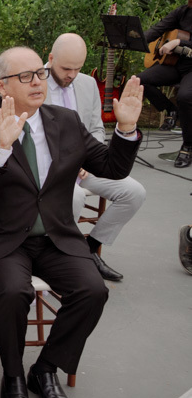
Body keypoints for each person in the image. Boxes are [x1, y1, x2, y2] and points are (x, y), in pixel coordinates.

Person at [0, 47, 144, 398]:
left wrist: (124, 129)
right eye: (25, 76)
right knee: (13, 292)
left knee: (93, 290)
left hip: (56, 236)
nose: (38, 82)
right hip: (1, 238)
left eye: (40, 74)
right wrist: (0, 147)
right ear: (1, 86)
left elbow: (111, 167)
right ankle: (12, 374)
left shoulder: (66, 120)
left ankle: (44, 370)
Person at [44, 33, 146, 282]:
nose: (71, 74)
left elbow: (97, 128)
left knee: (135, 192)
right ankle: (62, 257)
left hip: (85, 167)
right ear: (50, 58)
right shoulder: (33, 83)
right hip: (50, 170)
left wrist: (92, 158)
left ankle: (89, 250)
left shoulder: (87, 84)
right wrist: (67, 162)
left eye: (77, 68)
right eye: (66, 68)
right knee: (75, 198)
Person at [138, 0, 192, 167]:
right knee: (138, 81)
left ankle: (188, 146)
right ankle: (170, 110)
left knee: (186, 96)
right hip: (176, 65)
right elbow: (158, 30)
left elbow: (182, 42)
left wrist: (179, 42)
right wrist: (133, 40)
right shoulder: (182, 12)